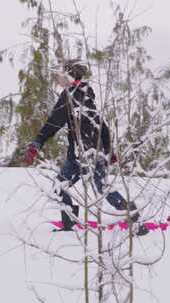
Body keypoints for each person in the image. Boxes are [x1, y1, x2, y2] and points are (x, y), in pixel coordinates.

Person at [24, 60, 147, 235]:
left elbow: (53, 124)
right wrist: (109, 151)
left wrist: (36, 144)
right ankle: (134, 219)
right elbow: (102, 126)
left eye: (61, 74)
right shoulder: (88, 95)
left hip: (80, 156)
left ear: (70, 75)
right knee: (102, 189)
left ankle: (70, 224)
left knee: (61, 186)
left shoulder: (69, 97)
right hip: (94, 154)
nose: (58, 78)